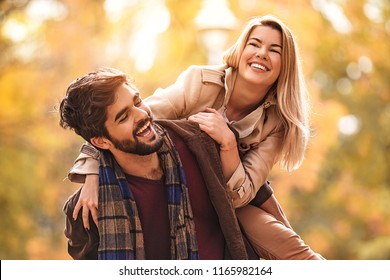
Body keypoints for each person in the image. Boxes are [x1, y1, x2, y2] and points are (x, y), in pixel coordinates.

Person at [67, 15, 324, 259]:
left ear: (285, 64)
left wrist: (229, 145)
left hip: (235, 191)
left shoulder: (280, 123)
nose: (261, 54)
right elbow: (135, 120)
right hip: (187, 172)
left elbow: (242, 194)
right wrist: (91, 176)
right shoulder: (201, 82)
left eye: (274, 50)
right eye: (254, 44)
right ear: (241, 49)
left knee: (295, 250)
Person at [59, 67, 266, 259]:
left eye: (138, 101)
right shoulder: (85, 213)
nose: (141, 115)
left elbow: (257, 194)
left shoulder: (197, 142)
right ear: (100, 141)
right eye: (123, 117)